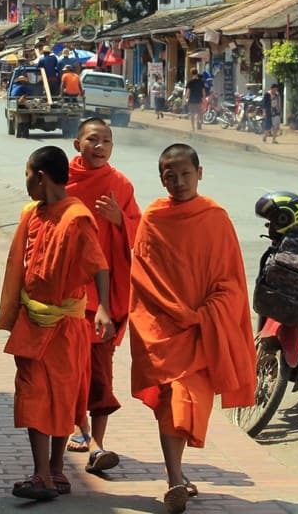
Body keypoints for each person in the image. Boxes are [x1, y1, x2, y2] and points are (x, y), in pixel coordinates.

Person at [129, 144, 257, 513]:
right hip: (164, 329)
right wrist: (172, 312)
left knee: (186, 402)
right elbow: (142, 274)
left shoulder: (215, 217)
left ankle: (176, 475)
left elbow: (231, 280)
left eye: (186, 174)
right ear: (161, 179)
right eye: (171, 176)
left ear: (200, 173)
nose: (179, 182)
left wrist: (205, 314)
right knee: (171, 402)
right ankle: (174, 479)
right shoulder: (153, 217)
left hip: (202, 330)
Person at [0, 146, 114, 501]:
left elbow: (99, 264)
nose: (27, 183)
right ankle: (42, 472)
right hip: (33, 320)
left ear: (41, 176)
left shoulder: (75, 217)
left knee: (63, 397)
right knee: (32, 394)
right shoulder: (34, 214)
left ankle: (56, 469)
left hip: (65, 324)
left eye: (28, 175)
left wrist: (104, 308)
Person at [64, 117, 142, 472]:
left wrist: (118, 220)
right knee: (71, 371)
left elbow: (140, 235)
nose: (100, 146)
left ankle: (98, 440)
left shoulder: (120, 185)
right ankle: (82, 432)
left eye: (107, 141)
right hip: (68, 293)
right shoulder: (62, 180)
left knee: (100, 372)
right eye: (93, 139)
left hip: (104, 296)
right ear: (77, 143)